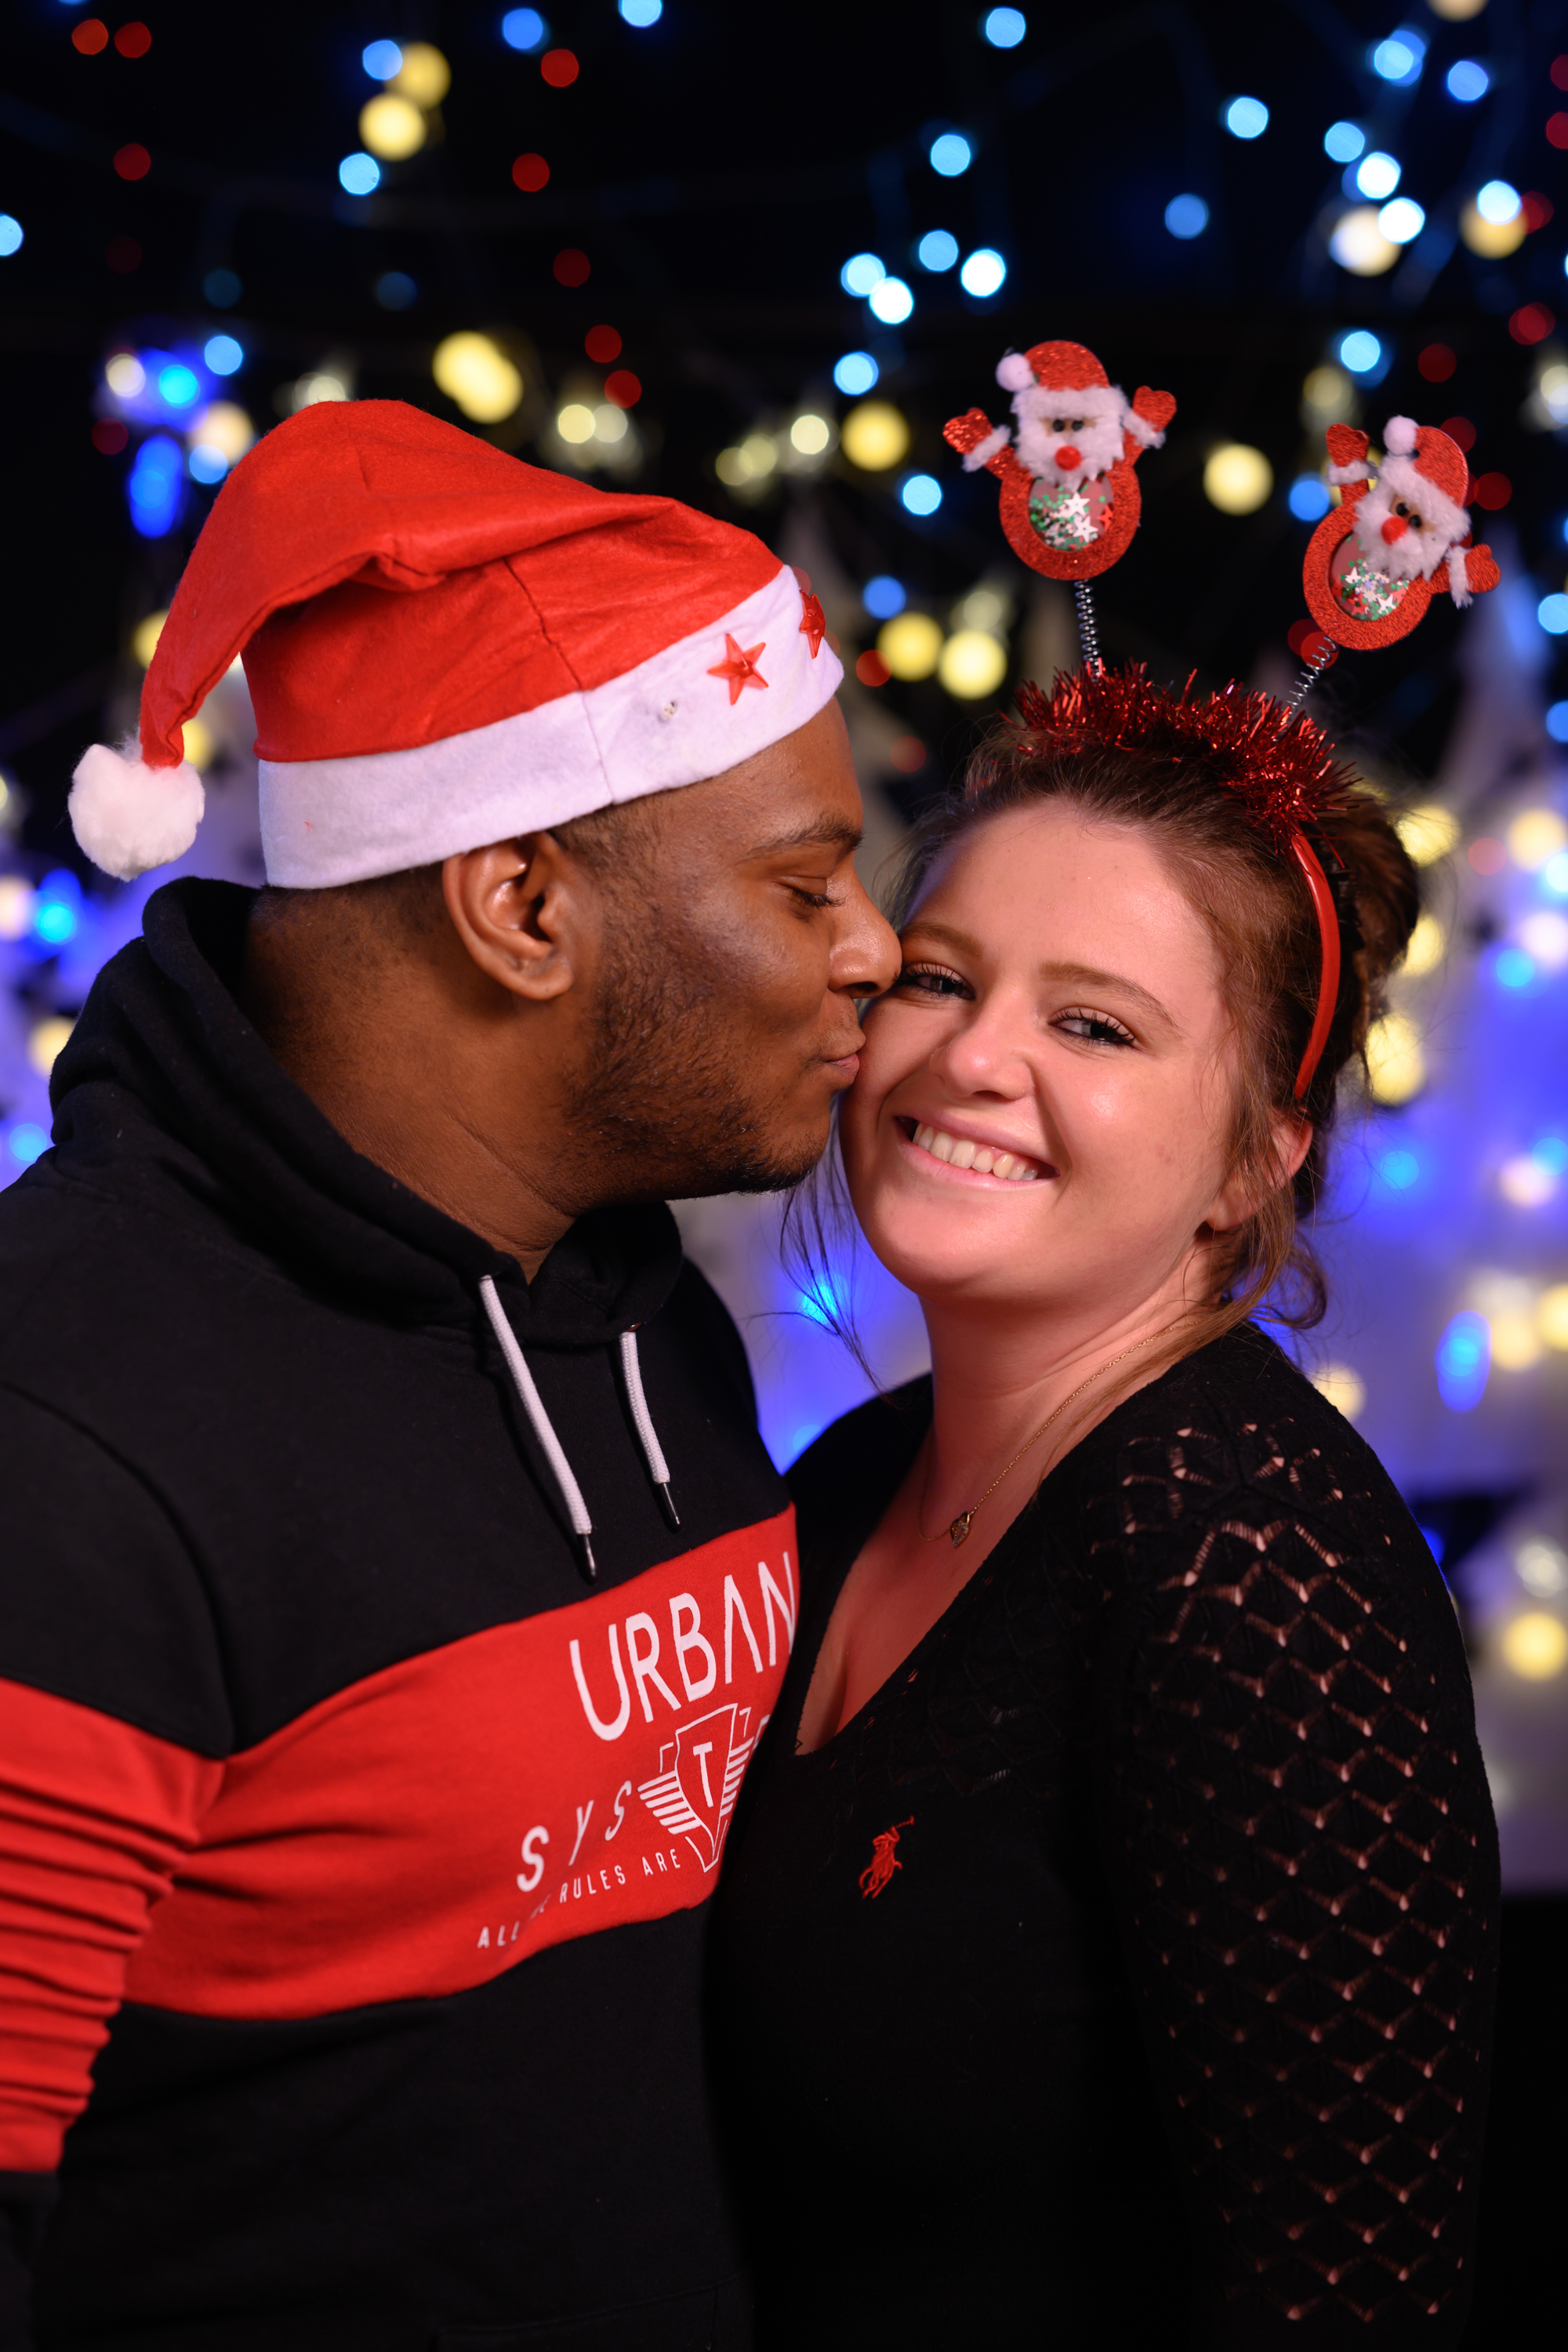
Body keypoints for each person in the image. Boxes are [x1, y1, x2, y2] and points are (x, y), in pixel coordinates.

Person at [0, 400, 898, 2350]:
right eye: (805, 886)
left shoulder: (630, 1289)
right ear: (522, 906)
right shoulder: (70, 1441)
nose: (875, 953)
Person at [713, 670, 1500, 2349]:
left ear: (1258, 1156)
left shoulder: (1252, 1565)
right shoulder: (846, 1480)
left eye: (1094, 1025)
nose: (970, 1057)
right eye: (939, 978)